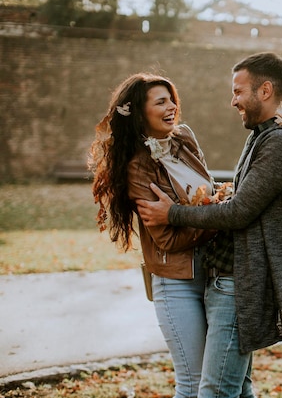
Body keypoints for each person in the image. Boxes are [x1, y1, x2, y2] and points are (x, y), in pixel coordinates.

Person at [137, 52, 282, 398]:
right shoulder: (265, 134)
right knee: (238, 389)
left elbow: (239, 212)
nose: (233, 100)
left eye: (239, 91)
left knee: (216, 390)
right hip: (229, 277)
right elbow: (245, 200)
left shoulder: (281, 142)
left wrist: (173, 214)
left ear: (265, 90)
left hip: (241, 283)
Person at [88, 72, 219, 398]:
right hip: (177, 285)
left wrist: (209, 209)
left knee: (221, 381)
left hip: (215, 276)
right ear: (140, 112)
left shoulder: (184, 138)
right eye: (161, 101)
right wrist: (219, 219)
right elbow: (168, 239)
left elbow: (207, 195)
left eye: (172, 98)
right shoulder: (138, 166)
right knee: (193, 383)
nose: (172, 105)